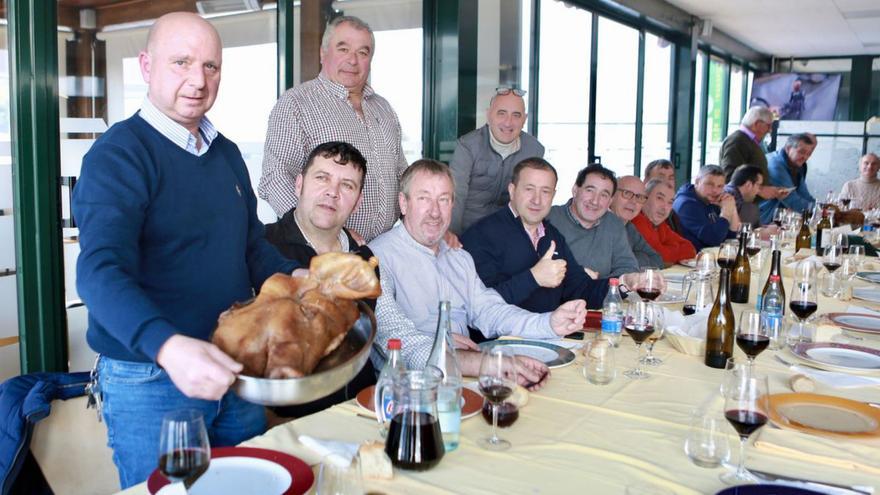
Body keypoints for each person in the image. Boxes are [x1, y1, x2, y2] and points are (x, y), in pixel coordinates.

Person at [71, 12, 302, 488]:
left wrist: (293, 278)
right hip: (152, 380)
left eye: (210, 66)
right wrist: (168, 347)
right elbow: (99, 271)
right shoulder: (119, 156)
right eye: (181, 62)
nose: (198, 80)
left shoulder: (227, 153)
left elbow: (250, 246)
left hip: (235, 369)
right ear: (146, 66)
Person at [368, 160, 586, 385]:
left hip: (466, 378)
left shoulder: (459, 257)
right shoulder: (377, 257)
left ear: (453, 204)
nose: (435, 211)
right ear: (404, 204)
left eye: (443, 200)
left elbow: (489, 310)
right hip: (406, 390)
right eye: (424, 198)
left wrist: (549, 323)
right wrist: (475, 358)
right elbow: (397, 341)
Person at [259, 16, 407, 242]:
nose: (353, 60)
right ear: (322, 53)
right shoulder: (296, 103)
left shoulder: (384, 108)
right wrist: (326, 236)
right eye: (343, 49)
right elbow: (275, 177)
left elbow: (402, 175)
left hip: (385, 248)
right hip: (324, 252)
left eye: (362, 52)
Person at [263, 141, 376, 418]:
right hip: (287, 418)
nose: (332, 193)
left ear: (358, 200)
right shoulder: (262, 247)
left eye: (347, 185)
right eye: (322, 178)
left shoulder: (364, 259)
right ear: (299, 184)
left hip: (359, 411)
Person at [461, 158, 642, 314]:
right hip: (501, 344)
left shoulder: (551, 235)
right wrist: (534, 278)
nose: (537, 200)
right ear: (512, 190)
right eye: (529, 189)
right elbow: (479, 308)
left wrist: (626, 283)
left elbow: (582, 289)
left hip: (549, 335)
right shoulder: (482, 235)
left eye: (545, 191)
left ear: (553, 195)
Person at [449, 87, 544, 233]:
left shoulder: (534, 150)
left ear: (524, 119)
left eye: (516, 115)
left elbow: (535, 199)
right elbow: (455, 195)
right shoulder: (467, 146)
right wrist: (451, 235)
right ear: (489, 115)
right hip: (468, 231)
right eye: (501, 113)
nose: (508, 122)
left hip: (510, 232)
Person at [546, 164, 639, 278]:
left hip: (599, 294)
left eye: (604, 195)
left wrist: (598, 286)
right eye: (590, 190)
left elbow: (628, 268)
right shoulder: (548, 218)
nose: (595, 201)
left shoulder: (613, 224)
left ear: (610, 201)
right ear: (575, 190)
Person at [673, 165, 741, 251]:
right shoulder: (686, 204)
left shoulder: (710, 199)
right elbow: (714, 239)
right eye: (710, 184)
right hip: (692, 260)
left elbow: (730, 238)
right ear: (697, 182)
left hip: (709, 258)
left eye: (720, 186)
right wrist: (726, 213)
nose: (715, 190)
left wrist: (732, 207)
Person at [631, 179, 697, 264]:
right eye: (660, 198)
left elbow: (690, 249)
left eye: (670, 202)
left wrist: (668, 249)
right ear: (645, 197)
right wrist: (674, 247)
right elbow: (659, 257)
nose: (664, 207)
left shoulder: (660, 224)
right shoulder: (637, 220)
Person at [758, 133, 817, 224]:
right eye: (801, 152)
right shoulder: (775, 165)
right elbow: (792, 200)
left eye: (808, 154)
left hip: (781, 218)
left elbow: (804, 194)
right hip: (764, 220)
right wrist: (820, 210)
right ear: (788, 148)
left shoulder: (797, 164)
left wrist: (821, 207)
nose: (805, 157)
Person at [609, 175, 664, 269]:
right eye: (627, 193)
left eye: (639, 197)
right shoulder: (598, 225)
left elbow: (657, 260)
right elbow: (606, 266)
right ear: (612, 195)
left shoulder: (629, 227)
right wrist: (638, 258)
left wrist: (629, 260)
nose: (633, 201)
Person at [720, 106, 775, 181]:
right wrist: (761, 189)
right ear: (757, 124)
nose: (770, 130)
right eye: (768, 126)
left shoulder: (750, 141)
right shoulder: (737, 141)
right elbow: (730, 176)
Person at [724, 164, 765, 228]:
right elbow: (736, 230)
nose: (758, 191)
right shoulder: (732, 197)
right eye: (758, 185)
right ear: (748, 185)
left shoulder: (729, 190)